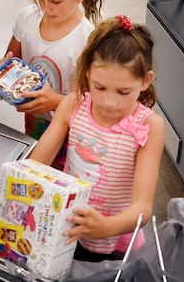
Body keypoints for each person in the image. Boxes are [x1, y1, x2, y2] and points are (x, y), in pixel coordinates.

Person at [29, 16, 164, 261]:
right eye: (99, 87)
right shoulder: (74, 103)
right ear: (88, 73)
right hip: (65, 227)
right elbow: (36, 164)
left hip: (113, 243)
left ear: (145, 81)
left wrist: (105, 227)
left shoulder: (148, 126)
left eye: (124, 92)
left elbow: (143, 208)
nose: (108, 102)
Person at [0, 0, 104, 163]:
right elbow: (13, 57)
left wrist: (55, 102)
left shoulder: (87, 41)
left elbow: (94, 102)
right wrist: (3, 73)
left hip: (72, 129)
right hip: (34, 119)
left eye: (56, 1)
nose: (46, 7)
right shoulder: (28, 18)